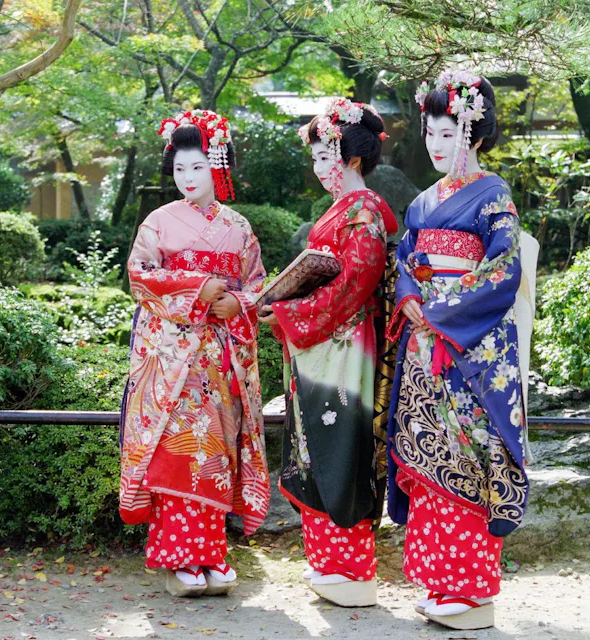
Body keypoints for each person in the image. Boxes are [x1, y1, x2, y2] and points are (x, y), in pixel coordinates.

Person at [386, 70, 536, 630]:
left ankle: (471, 590)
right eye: (429, 135)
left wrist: (440, 307)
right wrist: (408, 297)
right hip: (423, 347)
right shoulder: (422, 204)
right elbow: (404, 262)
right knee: (429, 464)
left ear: (472, 134)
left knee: (468, 462)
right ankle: (437, 580)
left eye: (446, 135)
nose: (435, 145)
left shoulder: (494, 195)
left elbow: (504, 269)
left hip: (467, 352)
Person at [119, 110, 270, 598]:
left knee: (217, 452)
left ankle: (211, 554)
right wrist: (199, 288)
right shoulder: (158, 223)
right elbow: (141, 277)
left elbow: (256, 286)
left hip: (220, 358)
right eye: (181, 169)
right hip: (172, 358)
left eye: (198, 167)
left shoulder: (239, 227)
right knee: (178, 450)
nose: (188, 178)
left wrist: (238, 303)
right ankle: (179, 556)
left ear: (218, 165)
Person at [259, 99, 398, 608]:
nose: (320, 170)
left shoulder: (365, 211)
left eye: (327, 158)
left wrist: (290, 313)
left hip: (346, 348)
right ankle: (328, 566)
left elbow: (356, 284)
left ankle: (352, 570)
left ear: (354, 160)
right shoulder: (346, 211)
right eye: (315, 160)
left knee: (341, 448)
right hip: (324, 344)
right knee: (318, 448)